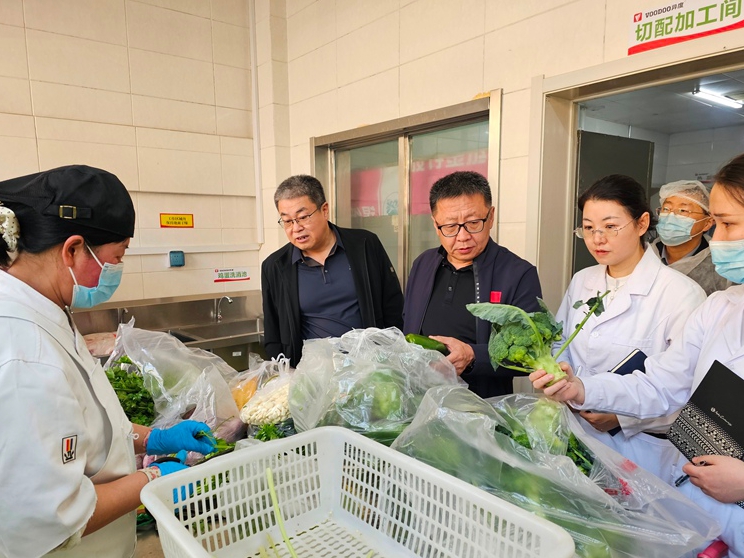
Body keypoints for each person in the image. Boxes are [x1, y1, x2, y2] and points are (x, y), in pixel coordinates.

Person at [530, 154, 744, 556]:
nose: (716, 239)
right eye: (715, 224)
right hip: (697, 505)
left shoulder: (683, 295)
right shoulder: (722, 307)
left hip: (657, 456)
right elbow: (663, 385)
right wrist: (580, 389)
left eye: (728, 224)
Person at [0, 165, 217, 558]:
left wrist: (153, 438)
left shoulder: (48, 310)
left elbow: (85, 426)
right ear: (72, 249)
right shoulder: (23, 353)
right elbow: (55, 518)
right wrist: (152, 477)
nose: (117, 269)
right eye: (117, 256)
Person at [559, 174, 706, 479]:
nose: (598, 239)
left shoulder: (682, 294)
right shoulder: (582, 280)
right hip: (576, 432)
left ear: (641, 224)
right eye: (588, 228)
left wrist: (622, 418)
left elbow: (686, 390)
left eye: (610, 226)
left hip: (640, 450)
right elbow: (560, 342)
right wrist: (562, 381)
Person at [403, 171, 542, 398]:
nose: (462, 236)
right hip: (419, 399)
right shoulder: (423, 264)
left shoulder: (518, 273)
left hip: (483, 406)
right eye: (450, 226)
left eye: (473, 223)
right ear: (435, 224)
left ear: (491, 216)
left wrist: (472, 355)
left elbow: (530, 354)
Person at [261, 174, 404, 367]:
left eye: (303, 217)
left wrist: (393, 362)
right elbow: (273, 333)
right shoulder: (275, 266)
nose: (296, 228)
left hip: (369, 369)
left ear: (325, 210)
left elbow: (393, 307)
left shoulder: (364, 245)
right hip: (312, 374)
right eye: (287, 221)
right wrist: (286, 375)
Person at [653, 179, 730, 295]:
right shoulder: (644, 253)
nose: (671, 216)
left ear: (707, 223)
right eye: (666, 209)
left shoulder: (721, 265)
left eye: (683, 210)